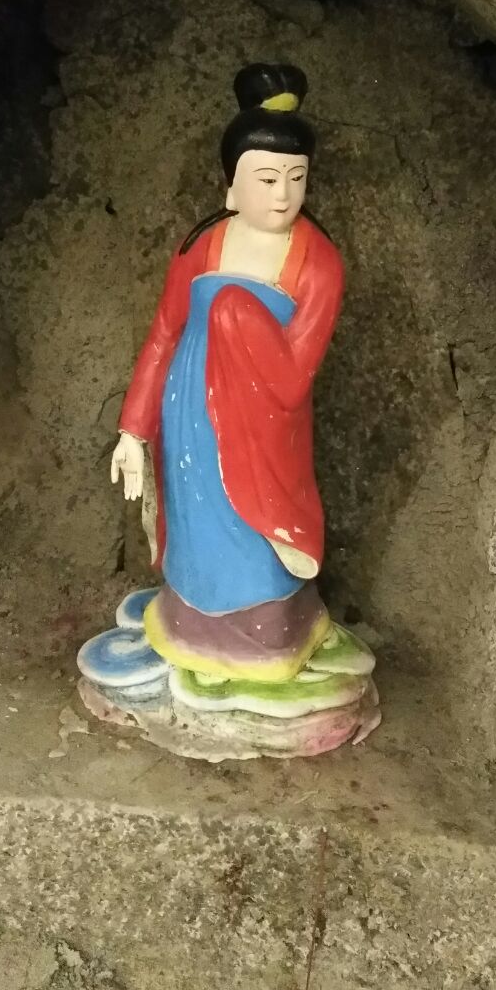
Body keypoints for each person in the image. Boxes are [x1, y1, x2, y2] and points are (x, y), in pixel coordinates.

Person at [110, 64, 344, 683]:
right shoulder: (202, 246)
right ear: (232, 186)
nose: (283, 195)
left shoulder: (318, 263)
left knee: (254, 535)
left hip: (264, 427)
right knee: (195, 519)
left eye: (297, 178)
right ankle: (191, 628)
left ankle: (266, 642)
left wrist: (239, 316)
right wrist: (134, 430)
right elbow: (164, 334)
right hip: (188, 410)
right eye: (266, 178)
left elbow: (294, 376)